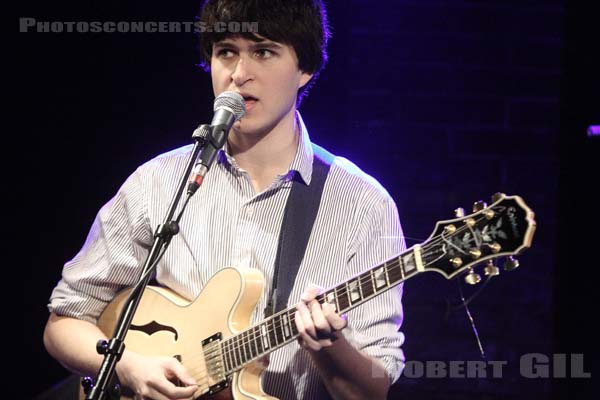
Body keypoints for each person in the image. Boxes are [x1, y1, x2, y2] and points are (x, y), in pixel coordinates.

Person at [43, 1, 406, 399]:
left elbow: (372, 391)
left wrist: (329, 347)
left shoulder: (363, 205)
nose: (239, 74)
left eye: (263, 52)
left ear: (305, 69)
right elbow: (64, 323)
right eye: (226, 52)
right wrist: (127, 366)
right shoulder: (159, 183)